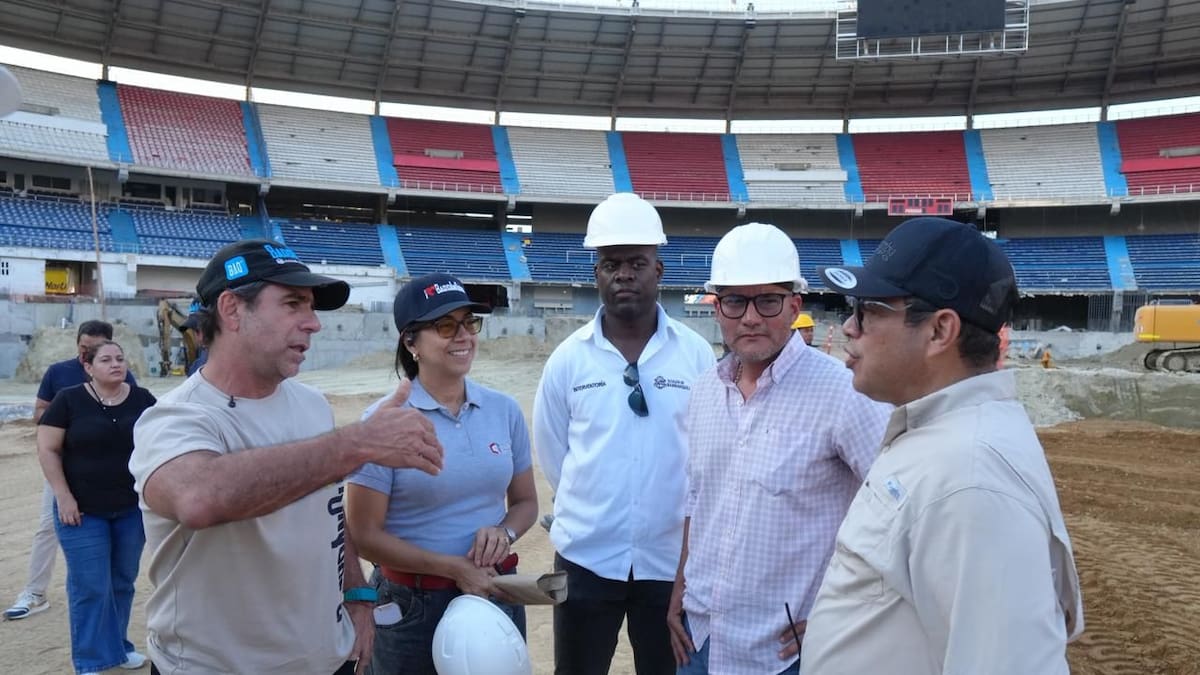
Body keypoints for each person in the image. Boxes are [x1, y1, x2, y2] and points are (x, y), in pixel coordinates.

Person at [130, 239, 446, 675]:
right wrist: (357, 443)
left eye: (311, 307)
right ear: (232, 310)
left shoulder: (311, 404)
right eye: (293, 304)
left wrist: (357, 594)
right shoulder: (174, 418)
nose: (313, 323)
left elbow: (328, 513)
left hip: (329, 659)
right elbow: (199, 498)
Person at [801, 217, 1083, 674]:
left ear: (939, 331)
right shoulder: (944, 439)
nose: (849, 327)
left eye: (868, 309)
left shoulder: (971, 479)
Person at [667, 222, 889, 675]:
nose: (750, 317)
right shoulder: (704, 391)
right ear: (716, 307)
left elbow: (899, 510)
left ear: (794, 306)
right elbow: (699, 499)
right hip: (701, 639)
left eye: (767, 300)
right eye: (735, 301)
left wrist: (853, 607)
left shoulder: (844, 393)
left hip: (785, 656)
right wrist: (680, 587)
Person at [534, 193, 716, 675]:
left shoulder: (696, 356)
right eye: (611, 264)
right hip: (586, 559)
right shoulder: (568, 360)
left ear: (659, 270)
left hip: (671, 563)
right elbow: (555, 454)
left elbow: (707, 454)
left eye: (637, 263)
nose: (624, 274)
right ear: (596, 273)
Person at [346, 272, 538, 675]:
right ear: (410, 342)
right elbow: (364, 536)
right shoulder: (383, 421)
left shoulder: (503, 410)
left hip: (493, 592)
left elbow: (525, 503)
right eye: (446, 326)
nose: (463, 336)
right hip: (411, 606)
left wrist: (504, 533)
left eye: (469, 323)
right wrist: (452, 568)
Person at [5, 320, 137, 622]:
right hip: (66, 467)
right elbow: (40, 413)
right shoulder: (59, 373)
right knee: (48, 526)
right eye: (83, 348)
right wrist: (68, 417)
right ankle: (34, 592)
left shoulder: (120, 373)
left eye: (95, 349)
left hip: (111, 477)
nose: (85, 354)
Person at [37, 340, 157, 674]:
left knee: (122, 581)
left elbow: (160, 441)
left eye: (120, 358)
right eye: (106, 360)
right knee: (90, 586)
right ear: (88, 367)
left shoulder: (143, 399)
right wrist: (63, 496)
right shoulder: (68, 400)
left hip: (130, 509)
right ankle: (90, 658)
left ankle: (119, 648)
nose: (116, 364)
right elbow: (47, 449)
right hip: (81, 510)